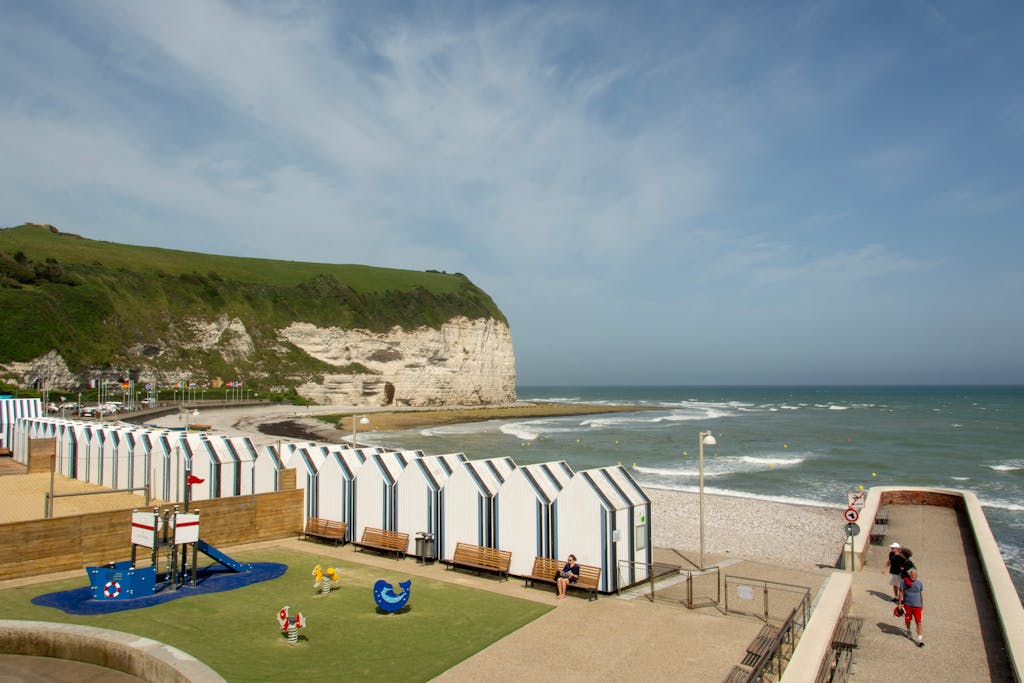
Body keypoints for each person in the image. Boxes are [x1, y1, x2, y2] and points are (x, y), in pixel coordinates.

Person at [899, 568, 924, 647]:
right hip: (907, 605)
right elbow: (901, 592)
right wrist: (899, 603)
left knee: (918, 622)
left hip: (917, 606)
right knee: (908, 619)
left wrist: (922, 604)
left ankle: (919, 639)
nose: (913, 576)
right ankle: (908, 630)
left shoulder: (919, 583)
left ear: (917, 576)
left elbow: (920, 594)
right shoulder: (904, 582)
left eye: (914, 575)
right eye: (912, 575)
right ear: (909, 575)